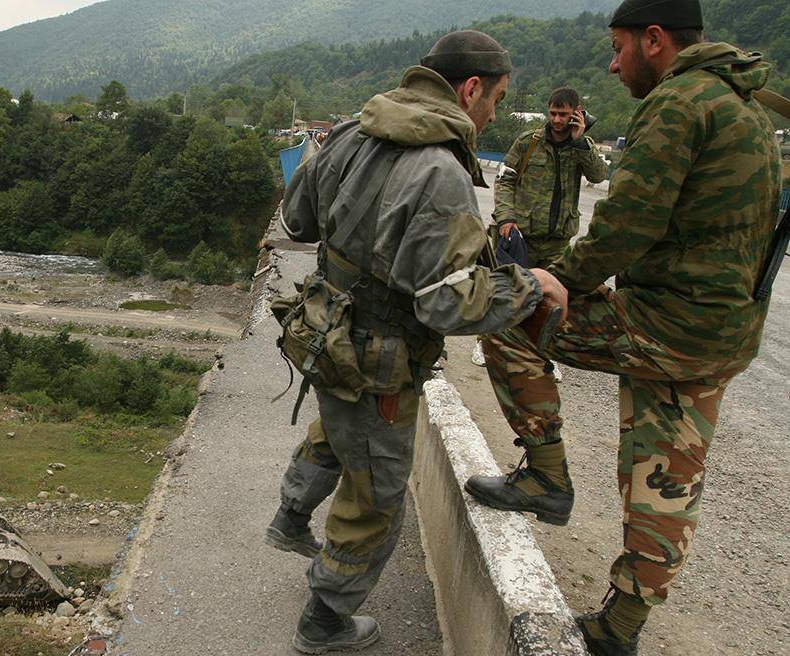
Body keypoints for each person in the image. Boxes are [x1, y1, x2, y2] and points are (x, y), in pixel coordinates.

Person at [463, 1, 783, 654]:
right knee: (668, 477)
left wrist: (563, 284)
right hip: (721, 335)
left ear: (655, 40)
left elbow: (626, 222)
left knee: (504, 314)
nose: (611, 64)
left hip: (663, 322)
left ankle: (546, 477)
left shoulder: (679, 102)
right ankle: (619, 629)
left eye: (618, 48)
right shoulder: (748, 108)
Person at [265, 30, 568, 654]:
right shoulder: (441, 169)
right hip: (378, 357)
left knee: (336, 428)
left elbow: (297, 220)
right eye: (496, 99)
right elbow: (446, 301)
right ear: (470, 88)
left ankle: (290, 518)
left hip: (323, 330)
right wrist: (529, 286)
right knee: (376, 494)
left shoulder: (355, 128)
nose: (493, 114)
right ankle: (324, 622)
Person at [471, 87, 610, 379]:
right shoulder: (528, 143)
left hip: (557, 238)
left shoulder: (581, 146)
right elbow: (505, 180)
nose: (557, 120)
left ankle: (544, 354)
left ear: (577, 112)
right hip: (521, 233)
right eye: (553, 113)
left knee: (551, 301)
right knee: (504, 287)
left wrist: (581, 141)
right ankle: (485, 343)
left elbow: (598, 176)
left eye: (564, 114)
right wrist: (507, 217)